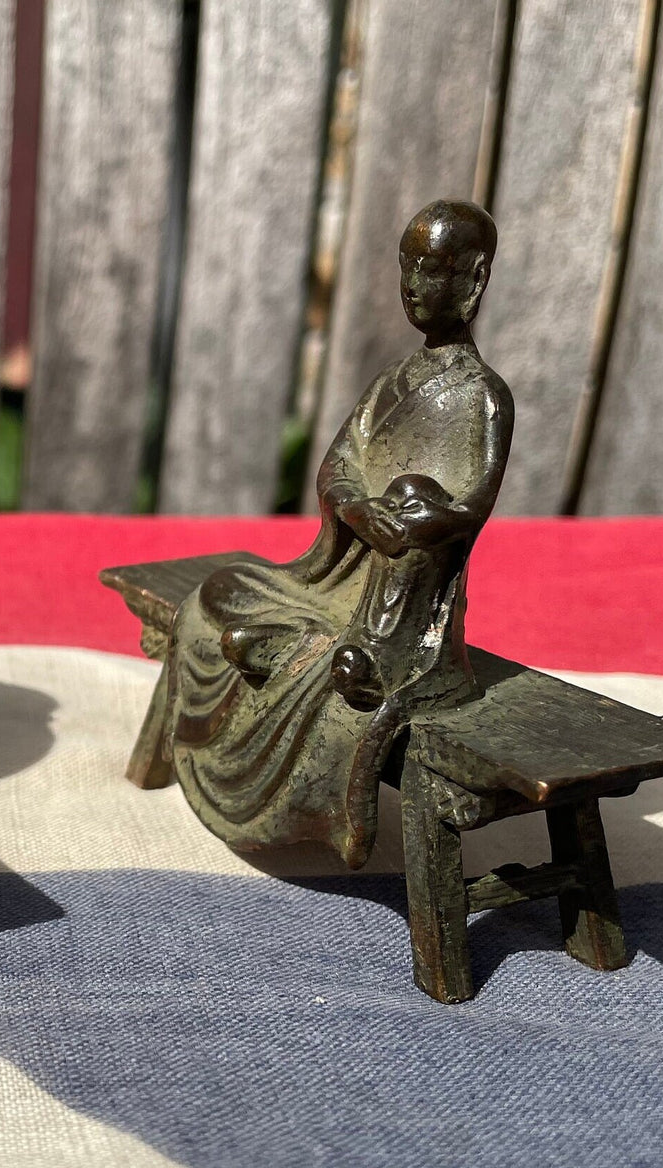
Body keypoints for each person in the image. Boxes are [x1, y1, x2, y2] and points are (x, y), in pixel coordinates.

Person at [146, 199, 513, 868]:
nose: (413, 285)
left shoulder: (480, 395)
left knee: (413, 503)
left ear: (474, 279)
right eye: (407, 267)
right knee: (219, 590)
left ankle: (369, 661)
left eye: (433, 270)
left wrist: (410, 518)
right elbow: (338, 464)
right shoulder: (392, 382)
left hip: (403, 603)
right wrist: (355, 510)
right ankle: (294, 640)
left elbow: (471, 504)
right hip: (337, 575)